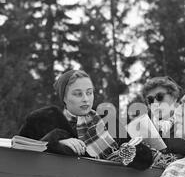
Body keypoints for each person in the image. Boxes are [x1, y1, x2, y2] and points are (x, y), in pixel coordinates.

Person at [18, 70, 153, 171]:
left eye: (89, 93)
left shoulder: (106, 120)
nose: (86, 99)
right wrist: (56, 141)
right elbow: (20, 156)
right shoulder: (44, 120)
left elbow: (143, 161)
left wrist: (132, 151)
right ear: (64, 98)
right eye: (78, 94)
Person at [142, 76, 185, 166]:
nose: (155, 103)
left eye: (160, 97)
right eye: (150, 100)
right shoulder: (145, 128)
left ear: (174, 97)